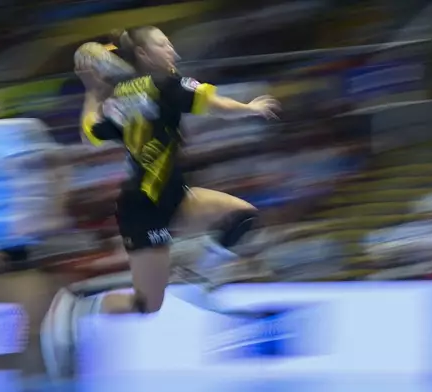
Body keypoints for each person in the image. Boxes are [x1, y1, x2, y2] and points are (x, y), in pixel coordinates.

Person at [75, 26, 280, 315]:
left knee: (241, 217)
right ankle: (81, 307)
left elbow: (89, 135)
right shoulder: (166, 83)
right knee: (147, 303)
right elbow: (216, 105)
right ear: (144, 54)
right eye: (164, 45)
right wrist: (249, 108)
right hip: (145, 208)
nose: (174, 51)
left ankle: (200, 274)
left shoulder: (116, 97)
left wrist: (92, 93)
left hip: (174, 197)